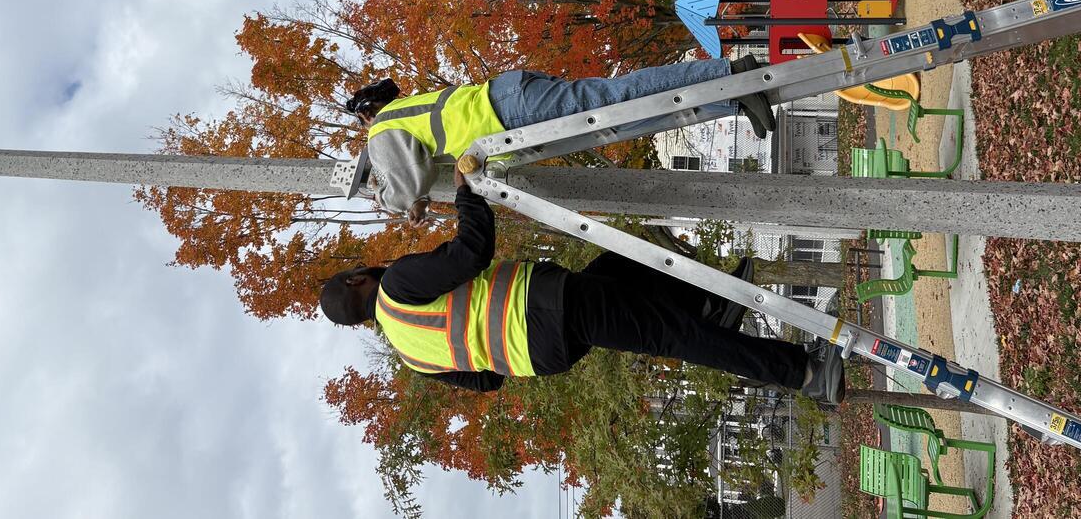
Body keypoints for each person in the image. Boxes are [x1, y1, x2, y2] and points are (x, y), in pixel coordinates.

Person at [318, 167, 844, 403]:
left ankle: (709, 305)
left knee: (619, 263)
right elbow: (471, 251)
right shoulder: (398, 286)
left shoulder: (410, 354)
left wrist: (499, 342)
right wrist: (465, 191)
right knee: (670, 335)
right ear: (358, 278)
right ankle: (802, 373)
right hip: (549, 310)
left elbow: (486, 382)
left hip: (544, 350)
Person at [346, 56, 776, 221]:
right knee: (624, 119)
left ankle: (729, 77)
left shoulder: (380, 133)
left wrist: (392, 202)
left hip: (509, 111)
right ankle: (734, 99)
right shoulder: (401, 114)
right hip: (511, 108)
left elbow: (405, 180)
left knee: (618, 97)